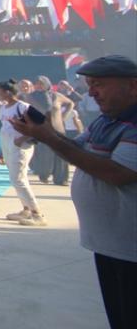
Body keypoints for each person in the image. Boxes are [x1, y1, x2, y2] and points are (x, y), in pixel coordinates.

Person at [9, 55, 137, 329]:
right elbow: (76, 150)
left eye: (99, 84)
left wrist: (48, 137)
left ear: (133, 86)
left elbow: (116, 173)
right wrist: (44, 132)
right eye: (90, 84)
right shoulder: (105, 121)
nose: (91, 92)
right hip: (109, 245)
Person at [0, 80, 46, 226]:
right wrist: (1, 152)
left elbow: (42, 123)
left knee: (18, 179)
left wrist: (24, 138)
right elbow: (4, 129)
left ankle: (37, 214)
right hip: (8, 147)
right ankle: (26, 209)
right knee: (15, 178)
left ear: (8, 92)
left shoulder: (22, 107)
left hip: (21, 147)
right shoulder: (3, 108)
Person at [25, 76, 74, 185]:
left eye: (41, 83)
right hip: (42, 129)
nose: (39, 85)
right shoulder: (31, 97)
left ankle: (61, 179)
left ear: (47, 84)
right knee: (44, 154)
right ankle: (44, 174)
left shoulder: (56, 96)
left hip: (58, 129)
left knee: (60, 154)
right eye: (37, 83)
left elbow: (70, 103)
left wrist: (63, 116)